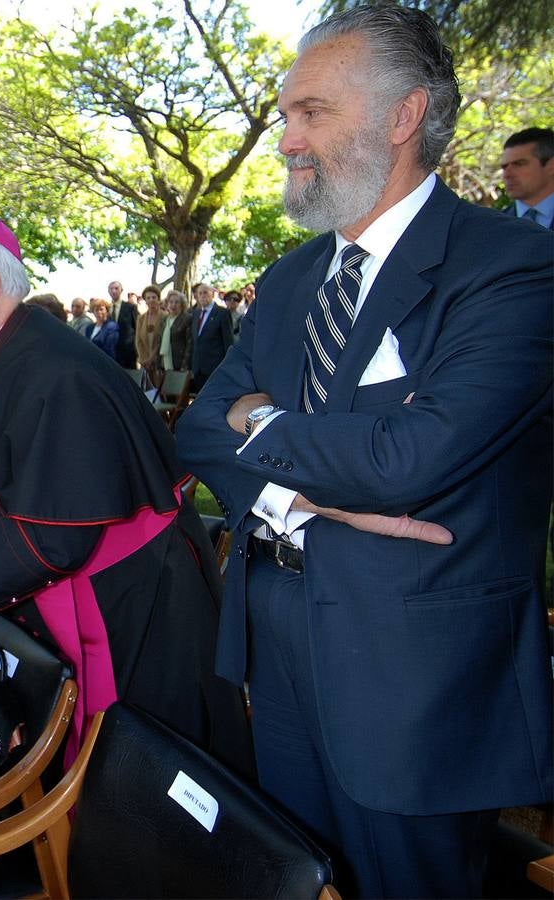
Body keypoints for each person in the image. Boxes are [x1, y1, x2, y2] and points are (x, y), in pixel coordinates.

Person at [176, 6, 552, 897]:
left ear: (403, 115)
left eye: (312, 113)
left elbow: (409, 459)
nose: (286, 140)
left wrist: (261, 427)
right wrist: (301, 495)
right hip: (278, 648)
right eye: (284, 117)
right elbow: (198, 428)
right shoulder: (291, 277)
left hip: (413, 679)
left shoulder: (509, 269)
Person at [0, 214, 252, 778]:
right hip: (51, 597)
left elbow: (54, 535)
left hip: (130, 610)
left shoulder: (58, 372)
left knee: (136, 787)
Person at [501, 126, 554, 229]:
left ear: (551, 166)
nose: (507, 175)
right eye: (504, 167)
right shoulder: (493, 226)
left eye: (519, 164)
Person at [189, 281, 233, 391]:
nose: (202, 296)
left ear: (212, 294)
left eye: (205, 292)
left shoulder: (222, 313)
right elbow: (195, 341)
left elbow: (228, 341)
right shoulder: (196, 313)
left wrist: (226, 365)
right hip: (198, 368)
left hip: (215, 367)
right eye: (200, 293)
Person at [134, 284, 166, 383]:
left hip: (160, 363)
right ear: (145, 300)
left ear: (158, 299)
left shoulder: (165, 317)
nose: (151, 300)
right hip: (145, 363)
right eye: (148, 298)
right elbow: (138, 340)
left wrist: (151, 358)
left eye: (154, 297)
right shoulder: (141, 318)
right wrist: (143, 359)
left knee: (159, 393)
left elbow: (161, 341)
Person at [158, 289, 191, 372]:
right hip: (164, 362)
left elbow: (190, 344)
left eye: (177, 302)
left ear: (182, 304)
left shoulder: (187, 319)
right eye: (171, 302)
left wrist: (185, 365)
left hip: (179, 363)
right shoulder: (165, 319)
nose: (173, 305)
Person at [107, 279, 137, 368]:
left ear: (121, 290)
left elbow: (137, 327)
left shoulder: (130, 307)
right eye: (111, 289)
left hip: (128, 351)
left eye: (116, 288)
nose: (113, 291)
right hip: (111, 351)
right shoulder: (106, 308)